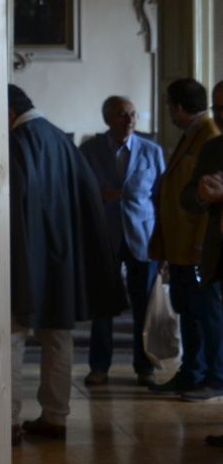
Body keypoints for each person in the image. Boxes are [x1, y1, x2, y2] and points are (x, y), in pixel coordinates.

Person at [0, 85, 116, 445]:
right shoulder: (62, 140)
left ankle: (5, 423)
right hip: (62, 261)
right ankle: (55, 416)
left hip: (23, 260)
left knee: (10, 338)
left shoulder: (15, 143)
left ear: (8, 112)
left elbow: (4, 209)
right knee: (58, 337)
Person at [78, 95, 165, 385]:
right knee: (102, 305)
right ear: (107, 119)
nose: (129, 120)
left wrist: (163, 243)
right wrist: (98, 196)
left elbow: (161, 198)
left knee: (144, 307)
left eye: (132, 114)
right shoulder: (89, 150)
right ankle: (99, 366)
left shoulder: (151, 151)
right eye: (121, 114)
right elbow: (78, 191)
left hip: (143, 237)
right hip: (104, 236)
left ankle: (145, 367)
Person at [152, 78, 223, 400]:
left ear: (177, 106)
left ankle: (213, 375)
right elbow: (189, 193)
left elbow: (209, 200)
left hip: (200, 247)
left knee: (207, 315)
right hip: (182, 245)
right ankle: (192, 372)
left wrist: (199, 245)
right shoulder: (200, 138)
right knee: (190, 312)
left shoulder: (209, 134)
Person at [182, 81, 223, 446]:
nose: (221, 115)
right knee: (214, 324)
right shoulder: (212, 148)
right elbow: (188, 198)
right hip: (217, 254)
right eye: (217, 108)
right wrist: (200, 194)